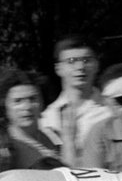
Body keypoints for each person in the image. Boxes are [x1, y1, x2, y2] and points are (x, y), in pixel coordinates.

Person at [39, 35, 112, 168]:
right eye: (71, 61)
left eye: (86, 60)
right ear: (58, 68)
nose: (80, 67)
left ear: (97, 65)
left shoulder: (111, 110)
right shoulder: (46, 118)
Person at [0, 68, 61, 170]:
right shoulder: (3, 145)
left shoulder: (54, 136)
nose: (27, 107)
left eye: (33, 99)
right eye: (18, 101)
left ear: (42, 102)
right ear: (4, 106)